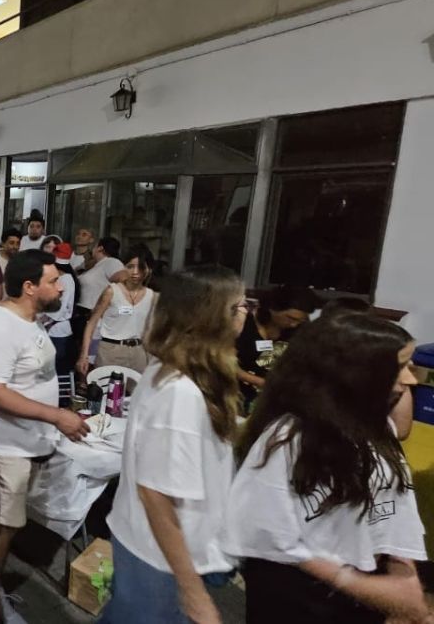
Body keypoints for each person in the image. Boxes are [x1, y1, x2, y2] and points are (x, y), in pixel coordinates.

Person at [221, 315, 429, 623]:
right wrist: (362, 584)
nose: (411, 379)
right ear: (357, 372)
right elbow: (265, 534)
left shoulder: (375, 428)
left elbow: (393, 509)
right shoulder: (288, 440)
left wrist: (403, 577)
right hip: (303, 600)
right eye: (399, 368)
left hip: (360, 592)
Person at [98, 266, 245, 624]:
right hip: (159, 557)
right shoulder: (179, 392)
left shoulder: (179, 374)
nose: (246, 313)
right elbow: (156, 496)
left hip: (162, 551)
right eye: (239, 306)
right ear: (212, 318)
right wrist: (192, 591)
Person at [0, 249, 89, 622]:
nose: (61, 288)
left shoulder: (29, 319)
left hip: (29, 440)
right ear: (29, 286)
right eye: (53, 281)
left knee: (5, 519)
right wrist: (56, 416)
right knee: (5, 523)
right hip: (7, 445)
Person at [236, 284, 318, 412]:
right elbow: (224, 364)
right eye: (290, 318)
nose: (294, 324)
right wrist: (261, 383)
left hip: (269, 396)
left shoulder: (295, 331)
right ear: (273, 308)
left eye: (300, 321)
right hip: (236, 390)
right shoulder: (243, 324)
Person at [76, 246, 156, 376]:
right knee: (107, 386)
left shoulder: (152, 296)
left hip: (139, 353)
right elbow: (92, 323)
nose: (135, 272)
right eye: (130, 267)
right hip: (110, 351)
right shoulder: (111, 291)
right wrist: (84, 355)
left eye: (141, 267)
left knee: (136, 388)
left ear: (148, 269)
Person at [73, 236, 127, 358]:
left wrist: (107, 307)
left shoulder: (111, 262)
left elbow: (123, 280)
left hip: (92, 315)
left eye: (94, 246)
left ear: (100, 248)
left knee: (88, 357)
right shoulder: (97, 265)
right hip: (80, 315)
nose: (91, 250)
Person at [44, 241, 78, 377]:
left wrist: (43, 321)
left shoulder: (67, 280)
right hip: (50, 329)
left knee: (58, 371)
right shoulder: (60, 278)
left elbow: (59, 308)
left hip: (59, 331)